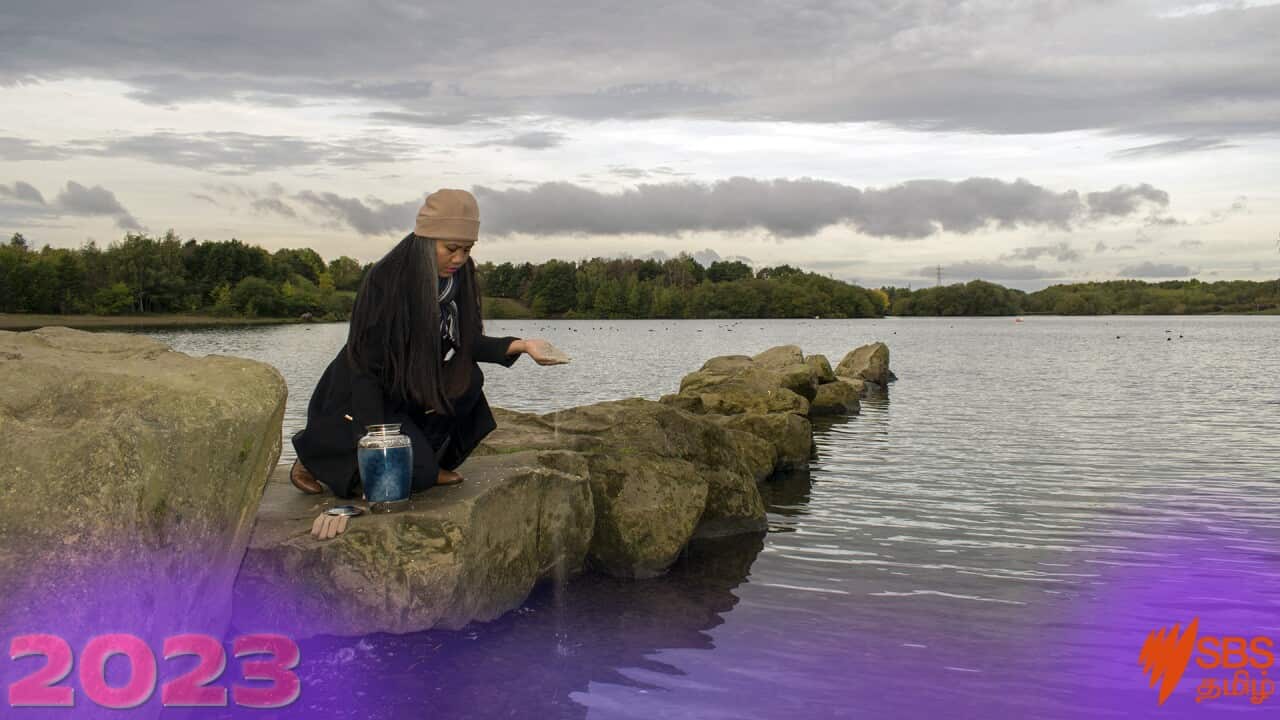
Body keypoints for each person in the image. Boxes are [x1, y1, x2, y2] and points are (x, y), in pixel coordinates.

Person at [289, 188, 561, 501]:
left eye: (467, 250)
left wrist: (524, 346)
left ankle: (427, 463)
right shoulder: (386, 280)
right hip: (362, 391)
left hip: (409, 388)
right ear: (426, 240)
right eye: (451, 248)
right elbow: (366, 369)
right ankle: (313, 456)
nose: (459, 259)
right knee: (402, 478)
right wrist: (377, 442)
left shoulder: (457, 277)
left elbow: (466, 341)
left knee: (468, 378)